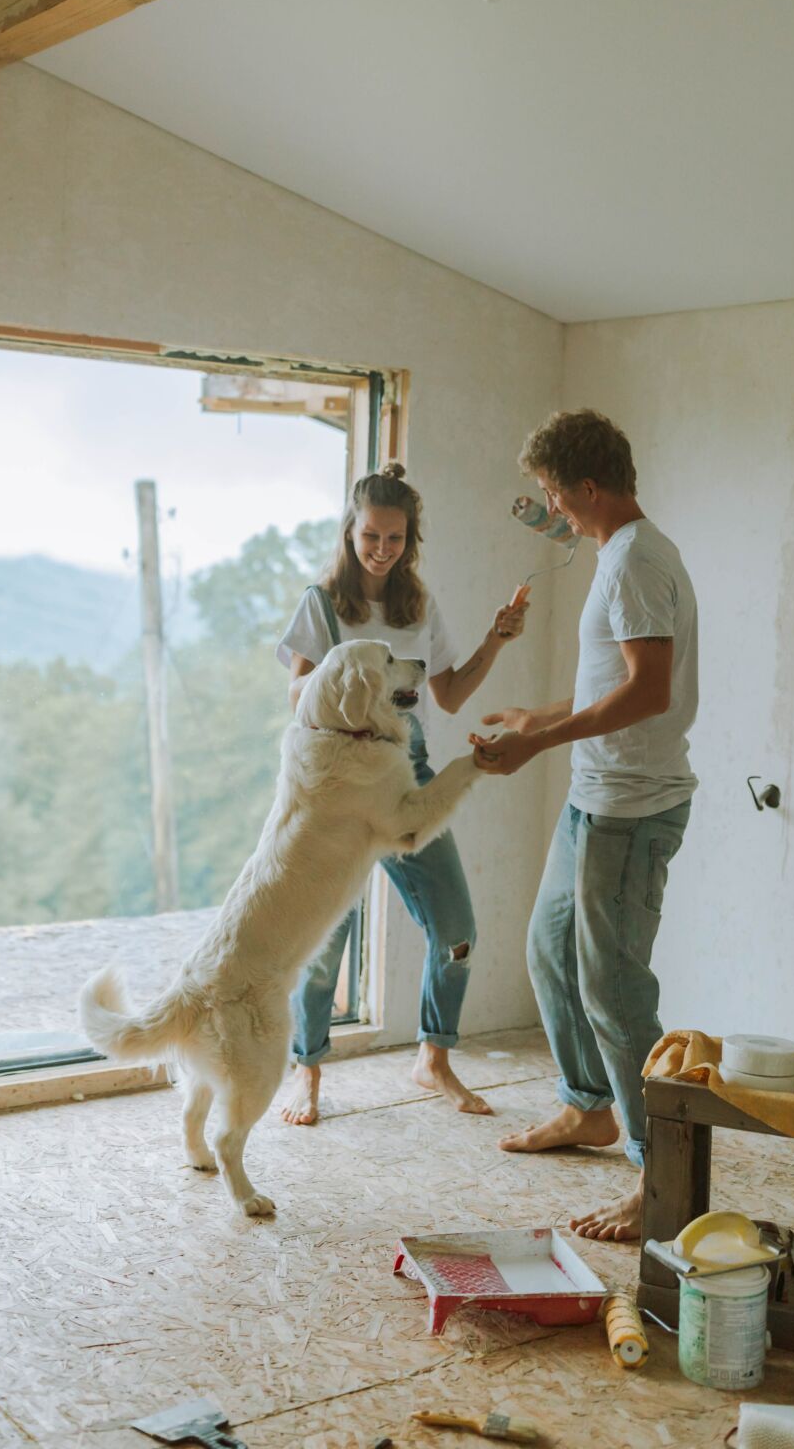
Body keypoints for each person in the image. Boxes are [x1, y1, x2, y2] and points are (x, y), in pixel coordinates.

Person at [470, 410, 698, 1243]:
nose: (552, 508)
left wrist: (535, 744)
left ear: (589, 487)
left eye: (553, 494)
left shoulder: (637, 559)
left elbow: (649, 692)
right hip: (593, 797)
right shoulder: (620, 555)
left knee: (616, 990)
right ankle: (587, 1108)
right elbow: (614, 682)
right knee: (547, 947)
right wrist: (544, 714)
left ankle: (659, 1173)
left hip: (630, 809)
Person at [277, 463, 527, 1126]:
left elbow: (447, 695)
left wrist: (495, 642)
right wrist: (349, 674)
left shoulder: (420, 606)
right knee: (323, 941)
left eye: (394, 538)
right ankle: (307, 1071)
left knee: (457, 933)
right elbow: (296, 696)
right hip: (337, 782)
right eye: (370, 537)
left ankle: (433, 1059)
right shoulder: (322, 603)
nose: (381, 549)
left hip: (406, 774)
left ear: (409, 539)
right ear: (350, 533)